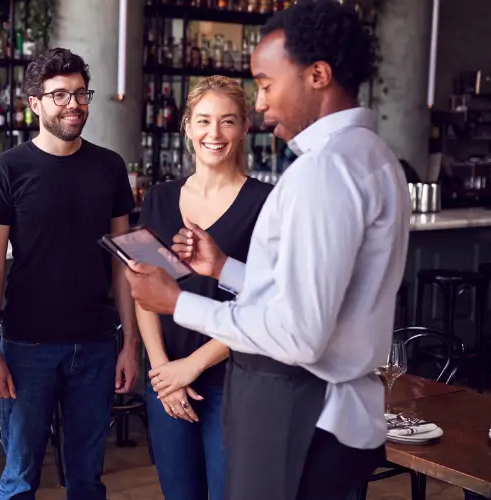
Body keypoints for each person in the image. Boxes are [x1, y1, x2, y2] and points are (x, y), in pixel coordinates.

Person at [124, 2, 410, 499]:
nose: (260, 103)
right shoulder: (373, 156)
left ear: (317, 75)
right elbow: (312, 290)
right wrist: (223, 268)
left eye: (267, 83)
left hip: (302, 418)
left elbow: (300, 336)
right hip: (331, 417)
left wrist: (178, 303)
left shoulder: (323, 170)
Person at [0, 48, 139, 500]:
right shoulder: (7, 169)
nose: (74, 104)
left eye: (81, 94)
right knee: (19, 477)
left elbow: (122, 260)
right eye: (61, 95)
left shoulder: (109, 166)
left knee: (88, 478)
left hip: (95, 342)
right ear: (35, 104)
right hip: (28, 344)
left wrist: (130, 344)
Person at [138, 76, 273, 500]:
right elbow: (145, 290)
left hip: (234, 381)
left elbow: (266, 303)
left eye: (227, 121)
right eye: (204, 121)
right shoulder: (158, 199)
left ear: (245, 127)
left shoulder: (267, 203)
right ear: (187, 126)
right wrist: (164, 372)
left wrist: (192, 365)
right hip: (167, 379)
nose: (214, 134)